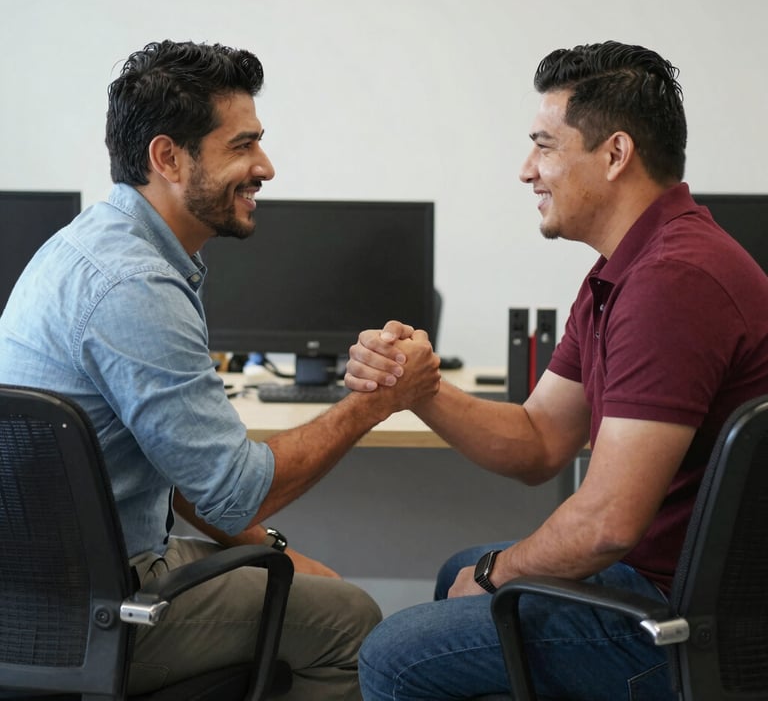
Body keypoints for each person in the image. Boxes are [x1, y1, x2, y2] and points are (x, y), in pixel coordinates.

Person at [0, 39, 440, 700]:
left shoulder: (94, 248)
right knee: (352, 621)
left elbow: (183, 469)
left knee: (310, 583)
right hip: (89, 610)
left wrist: (278, 549)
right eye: (242, 145)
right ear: (167, 158)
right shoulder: (136, 285)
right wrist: (377, 399)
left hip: (41, 593)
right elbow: (233, 491)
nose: (265, 165)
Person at [344, 41, 768, 700]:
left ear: (615, 154)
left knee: (391, 656)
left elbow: (606, 523)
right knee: (456, 576)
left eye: (544, 145)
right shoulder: (626, 269)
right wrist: (420, 389)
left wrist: (495, 572)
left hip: (680, 624)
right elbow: (540, 440)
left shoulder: (670, 281)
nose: (526, 170)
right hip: (663, 583)